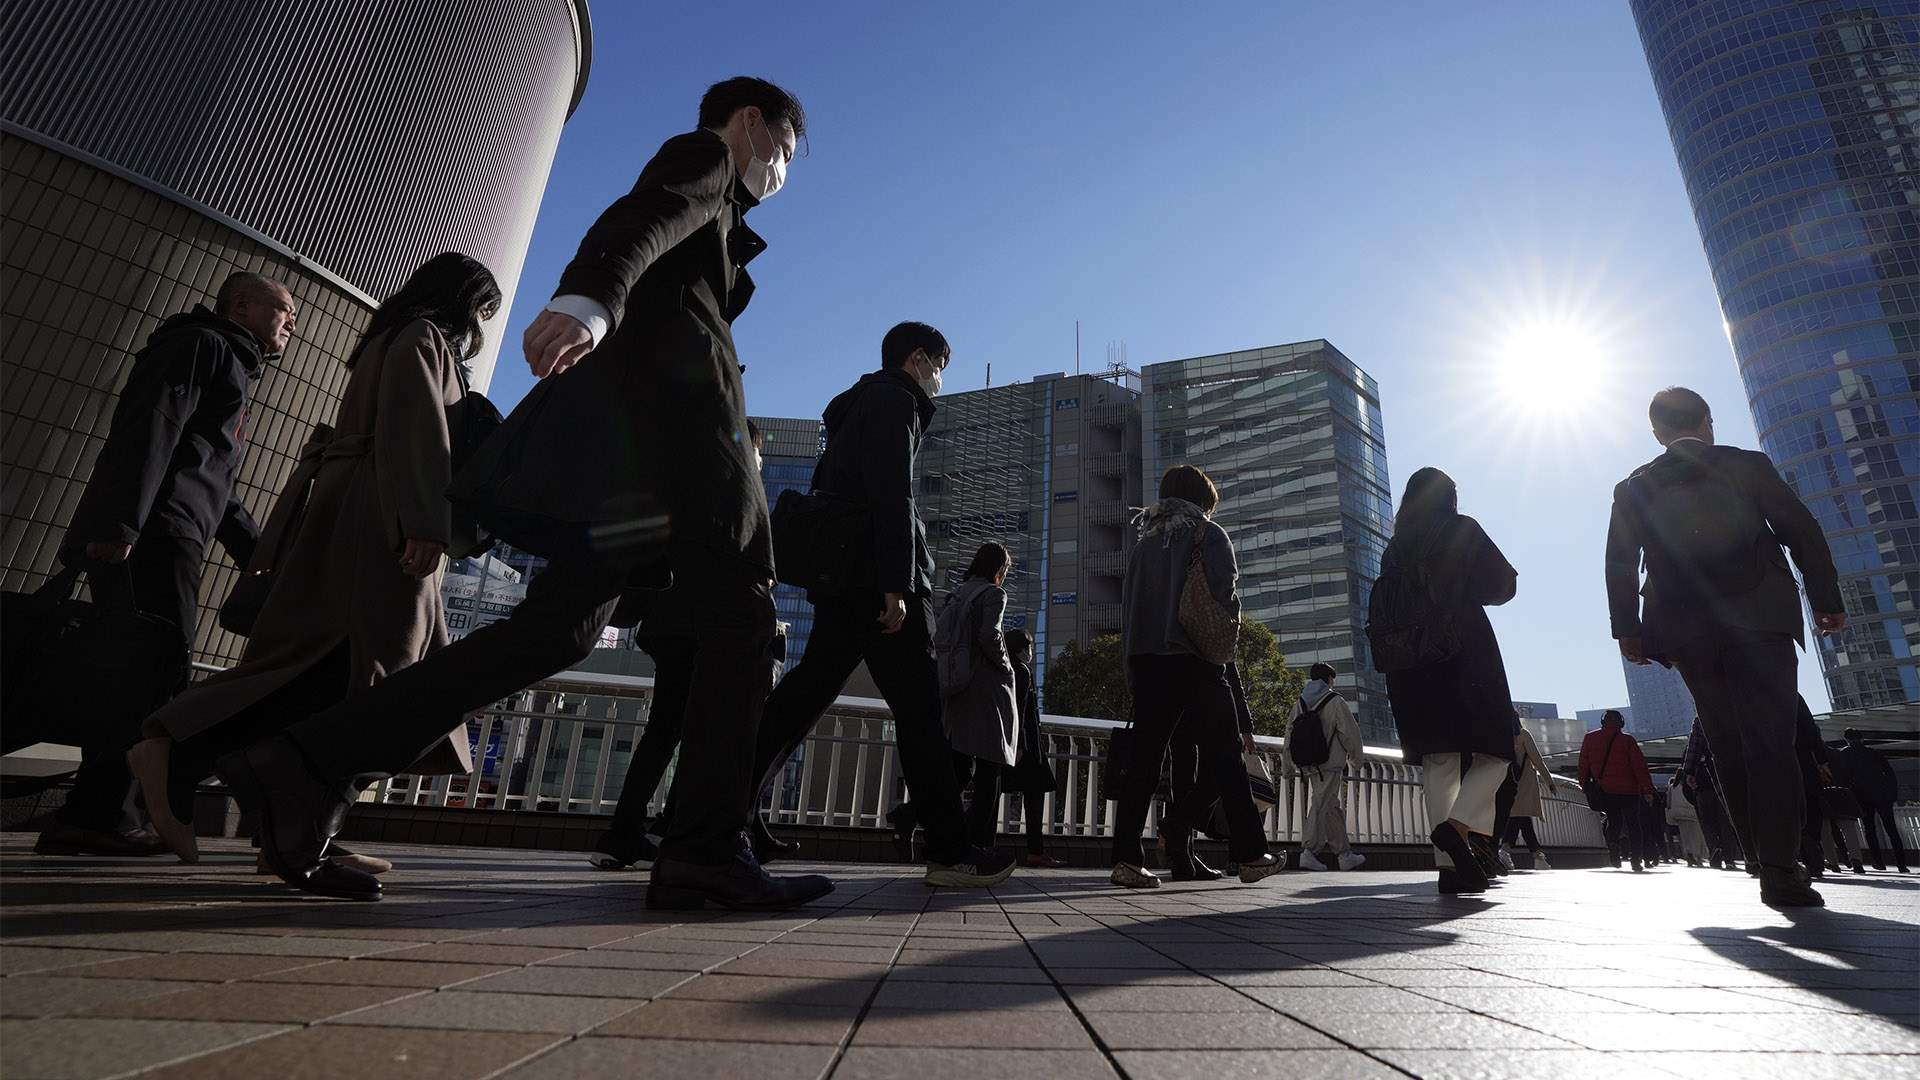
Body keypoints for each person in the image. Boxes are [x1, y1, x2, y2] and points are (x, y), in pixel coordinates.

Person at [212, 77, 836, 910]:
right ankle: (704, 853)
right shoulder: (707, 160)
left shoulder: (724, 214)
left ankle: (310, 758)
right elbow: (641, 218)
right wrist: (589, 302)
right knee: (742, 613)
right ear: (752, 124)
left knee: (555, 632)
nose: (783, 172)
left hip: (630, 479)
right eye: (786, 152)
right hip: (682, 454)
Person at [127, 254, 497, 872]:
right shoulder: (424, 338)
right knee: (350, 667)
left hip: (362, 508)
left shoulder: (390, 336)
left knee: (336, 667)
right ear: (465, 300)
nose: (484, 321)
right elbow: (418, 428)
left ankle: (293, 821)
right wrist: (427, 523)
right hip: (380, 519)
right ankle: (183, 750)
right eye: (483, 307)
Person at [747, 321, 1016, 890]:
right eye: (941, 367)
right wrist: (896, 582)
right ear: (919, 359)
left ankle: (715, 817)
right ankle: (950, 849)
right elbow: (895, 492)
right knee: (919, 711)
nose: (940, 380)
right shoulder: (898, 400)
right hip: (879, 581)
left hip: (843, 574)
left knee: (805, 693)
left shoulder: (853, 406)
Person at [36, 272, 295, 858]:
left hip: (169, 532)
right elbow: (151, 427)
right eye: (283, 310)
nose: (291, 324)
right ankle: (99, 815)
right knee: (147, 676)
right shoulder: (201, 345)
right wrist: (119, 526)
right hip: (152, 535)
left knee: (140, 676)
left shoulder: (231, 363)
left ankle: (97, 812)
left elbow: (215, 482)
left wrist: (260, 557)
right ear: (244, 306)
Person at [1605, 386, 1845, 908]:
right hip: (1760, 617)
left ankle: (1759, 854)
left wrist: (1628, 629)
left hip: (1688, 628)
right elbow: (1802, 531)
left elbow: (1620, 563)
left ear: (1657, 433)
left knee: (1725, 738)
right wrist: (1826, 600)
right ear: (1708, 422)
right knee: (1770, 741)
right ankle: (1780, 866)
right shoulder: (1747, 466)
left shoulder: (1635, 487)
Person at [586, 422, 791, 871]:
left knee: (667, 729)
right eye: (758, 453)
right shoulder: (732, 490)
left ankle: (631, 831)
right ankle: (666, 830)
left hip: (670, 624)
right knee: (701, 730)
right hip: (703, 628)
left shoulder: (691, 483)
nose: (760, 462)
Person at [1109, 465, 1282, 888]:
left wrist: (1132, 666)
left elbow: (1129, 611)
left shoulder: (1144, 542)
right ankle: (1250, 853)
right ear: (1203, 499)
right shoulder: (1208, 533)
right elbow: (1224, 595)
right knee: (1225, 757)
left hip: (1147, 661)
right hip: (1195, 660)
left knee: (1145, 763)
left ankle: (1126, 860)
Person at [1376, 467, 1518, 895]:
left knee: (1440, 761)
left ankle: (1449, 867)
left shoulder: (1394, 548)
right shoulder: (1461, 528)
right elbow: (1502, 585)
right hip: (1464, 649)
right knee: (1497, 751)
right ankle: (1457, 830)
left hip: (1411, 662)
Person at [937, 543, 1020, 849]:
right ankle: (978, 842)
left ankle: (927, 823)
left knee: (959, 765)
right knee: (991, 767)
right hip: (985, 688)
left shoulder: (958, 594)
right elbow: (990, 635)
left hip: (958, 685)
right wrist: (1006, 664)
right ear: (998, 568)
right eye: (1007, 567)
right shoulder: (993, 594)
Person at [1290, 662, 1364, 872]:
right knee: (1322, 804)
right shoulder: (1335, 700)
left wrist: (1288, 764)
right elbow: (1350, 732)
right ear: (1329, 679)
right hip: (1330, 763)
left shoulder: (1301, 702)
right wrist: (1357, 759)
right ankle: (1309, 851)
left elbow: (1289, 733)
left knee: (1331, 806)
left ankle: (1344, 855)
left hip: (1309, 762)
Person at [1003, 629, 1062, 867]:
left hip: (1016, 744)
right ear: (1019, 649)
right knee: (1034, 798)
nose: (1031, 652)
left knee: (992, 793)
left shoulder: (1007, 669)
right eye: (1028, 647)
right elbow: (1021, 709)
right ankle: (1035, 851)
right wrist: (1022, 745)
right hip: (1026, 748)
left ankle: (1034, 850)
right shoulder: (1022, 671)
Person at [1579, 711, 1655, 871]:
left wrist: (1584, 783)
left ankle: (1613, 846)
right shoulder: (1627, 740)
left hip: (1606, 789)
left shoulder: (1590, 738)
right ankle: (1636, 860)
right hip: (1629, 791)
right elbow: (1639, 766)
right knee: (1634, 824)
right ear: (1621, 722)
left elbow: (1583, 764)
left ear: (1603, 721)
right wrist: (1647, 789)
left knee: (1614, 822)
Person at [1835, 727, 1908, 873]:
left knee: (1870, 829)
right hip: (1882, 795)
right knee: (1892, 829)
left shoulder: (1844, 754)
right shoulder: (1874, 753)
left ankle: (1879, 862)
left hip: (1861, 796)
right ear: (1861, 738)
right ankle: (1901, 864)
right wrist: (1892, 794)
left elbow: (1843, 776)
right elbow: (1890, 774)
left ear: (1846, 739)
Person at [1680, 718, 1743, 871]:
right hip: (1726, 775)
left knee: (1707, 822)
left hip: (1703, 782)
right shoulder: (1735, 706)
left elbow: (1693, 747)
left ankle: (1714, 848)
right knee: (1726, 821)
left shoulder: (1701, 717)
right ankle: (1730, 857)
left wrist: (1688, 772)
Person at [1504, 715, 1558, 869]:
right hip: (1524, 784)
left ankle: (1536, 855)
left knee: (1519, 817)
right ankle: (1511, 851)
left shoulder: (1500, 735)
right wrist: (1550, 782)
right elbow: (1537, 760)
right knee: (1520, 817)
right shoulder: (1523, 734)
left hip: (1506, 783)